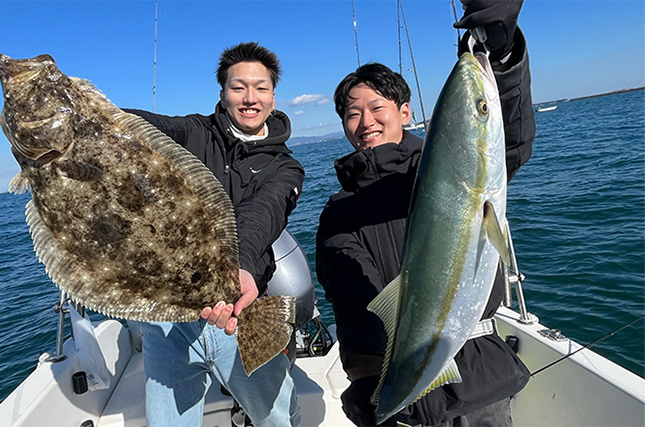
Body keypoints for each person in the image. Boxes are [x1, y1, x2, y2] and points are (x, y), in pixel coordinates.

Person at [315, 0, 535, 426]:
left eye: (377, 108)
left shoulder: (437, 169)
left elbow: (509, 142)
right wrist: (364, 378)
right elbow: (351, 297)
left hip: (477, 383)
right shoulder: (340, 211)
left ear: (405, 113)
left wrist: (502, 53)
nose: (365, 122)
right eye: (352, 113)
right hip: (402, 392)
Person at [124, 42, 303, 426]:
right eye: (238, 87)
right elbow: (132, 126)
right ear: (223, 93)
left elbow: (262, 213)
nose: (249, 98)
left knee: (278, 419)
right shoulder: (192, 133)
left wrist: (237, 267)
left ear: (273, 95)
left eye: (261, 87)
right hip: (169, 320)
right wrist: (86, 112)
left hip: (244, 308)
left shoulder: (285, 167)